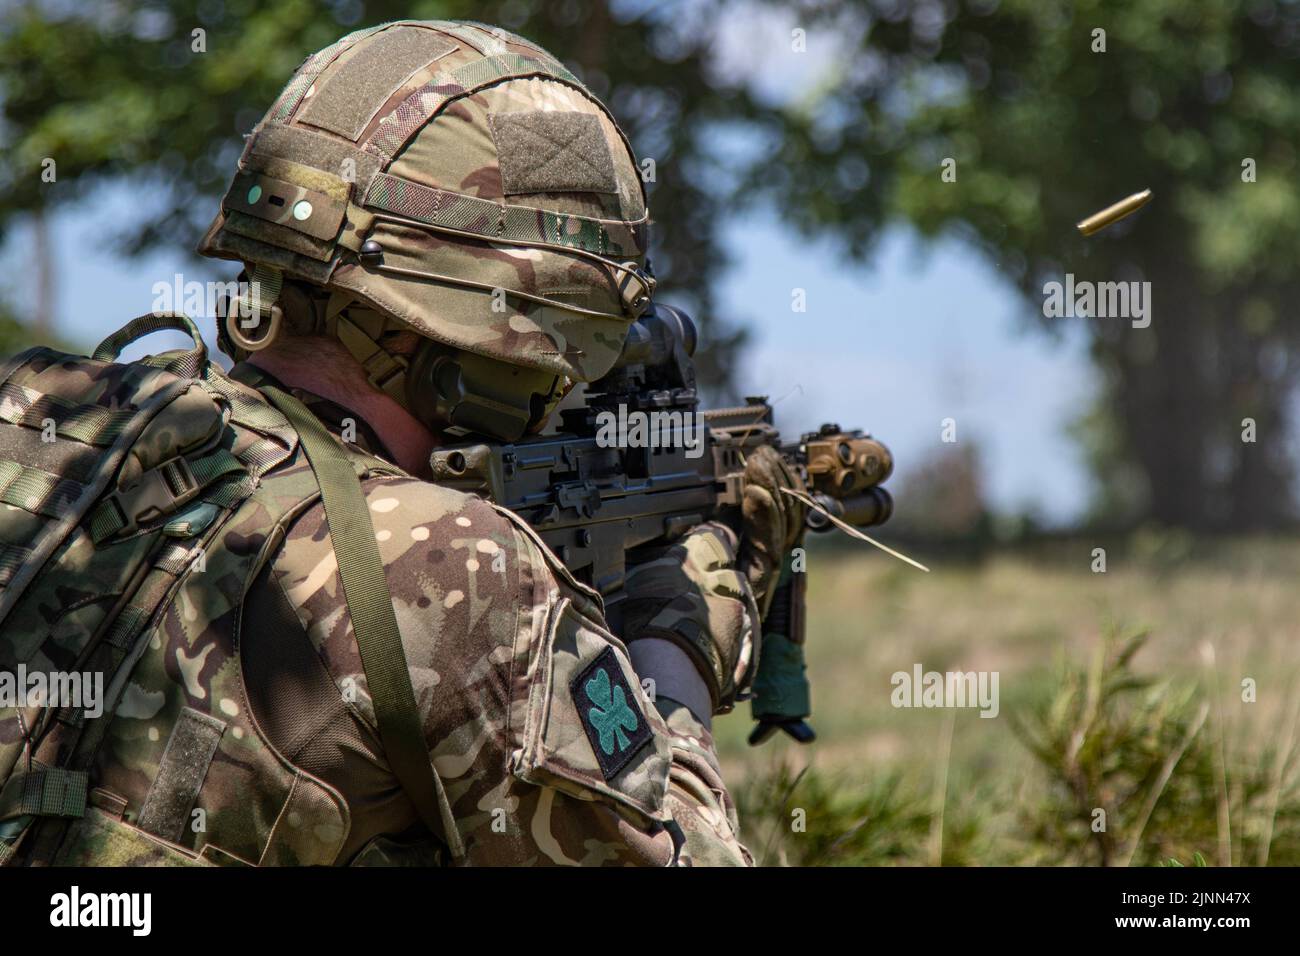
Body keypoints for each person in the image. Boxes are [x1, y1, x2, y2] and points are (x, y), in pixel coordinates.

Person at [9, 19, 804, 867]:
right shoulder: (455, 567)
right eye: (571, 346)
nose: (567, 383)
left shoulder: (44, 419)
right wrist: (675, 646)